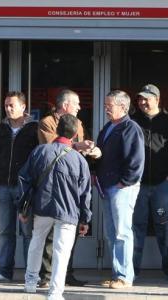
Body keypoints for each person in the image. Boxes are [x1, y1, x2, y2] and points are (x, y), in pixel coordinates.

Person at [19, 114, 92, 300]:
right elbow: (85, 193)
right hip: (68, 211)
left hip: (41, 207)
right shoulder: (79, 160)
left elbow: (24, 178)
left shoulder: (40, 151)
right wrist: (85, 218)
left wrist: (24, 208)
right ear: (75, 135)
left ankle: (30, 282)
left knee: (36, 242)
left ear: (57, 130)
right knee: (62, 250)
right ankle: (55, 292)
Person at [37, 89, 101, 287]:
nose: (80, 107)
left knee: (70, 231)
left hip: (73, 183)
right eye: (77, 104)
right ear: (65, 105)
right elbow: (52, 148)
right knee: (49, 234)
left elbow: (81, 148)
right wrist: (78, 146)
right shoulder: (47, 123)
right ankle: (46, 277)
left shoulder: (79, 123)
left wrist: (93, 150)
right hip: (52, 183)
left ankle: (66, 273)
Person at [131, 84, 168, 282]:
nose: (143, 102)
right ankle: (131, 270)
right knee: (135, 226)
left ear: (157, 99)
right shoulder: (133, 121)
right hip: (137, 186)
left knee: (166, 226)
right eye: (140, 99)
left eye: (147, 98)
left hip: (163, 185)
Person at [0, 91, 39, 283]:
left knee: (28, 232)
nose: (8, 109)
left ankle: (30, 272)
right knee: (5, 231)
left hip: (25, 188)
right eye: (6, 105)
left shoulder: (34, 129)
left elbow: (38, 160)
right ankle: (4, 271)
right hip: (3, 187)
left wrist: (34, 186)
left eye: (12, 105)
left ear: (23, 107)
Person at [95, 90, 144, 289]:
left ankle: (124, 276)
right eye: (105, 105)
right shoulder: (109, 126)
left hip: (121, 187)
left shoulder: (130, 128)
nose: (106, 108)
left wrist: (124, 182)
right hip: (108, 186)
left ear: (123, 107)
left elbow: (136, 160)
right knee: (111, 232)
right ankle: (117, 274)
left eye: (110, 105)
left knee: (122, 232)